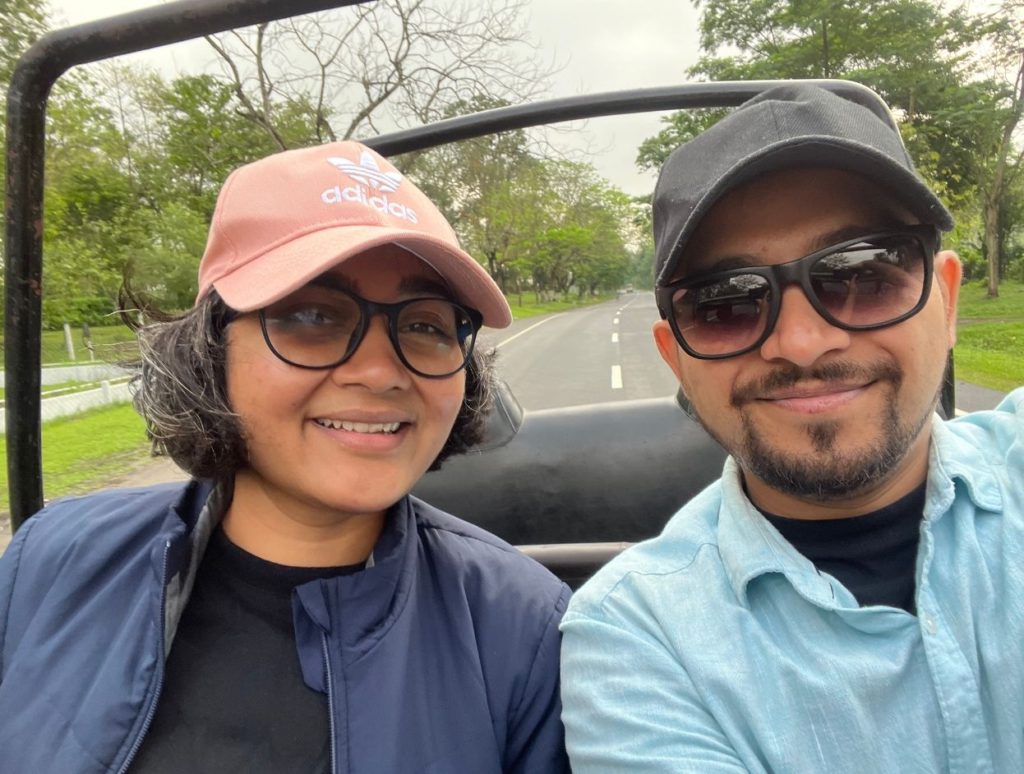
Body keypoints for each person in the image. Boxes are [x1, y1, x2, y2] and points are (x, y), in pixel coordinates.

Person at [0, 141, 571, 774]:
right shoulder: (52, 561)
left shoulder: (523, 627)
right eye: (311, 315)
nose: (381, 371)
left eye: (426, 325)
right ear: (210, 348)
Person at [560, 83, 1024, 772]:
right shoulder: (635, 639)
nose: (802, 343)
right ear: (676, 360)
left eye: (864, 272)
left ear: (946, 300)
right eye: (727, 304)